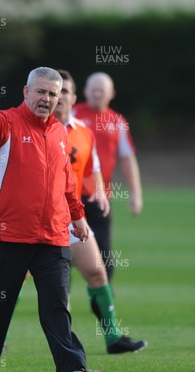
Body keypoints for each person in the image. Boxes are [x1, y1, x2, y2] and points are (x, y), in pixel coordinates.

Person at [0, 66, 102, 372]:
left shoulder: (61, 133)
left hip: (53, 237)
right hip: (6, 236)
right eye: (41, 92)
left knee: (57, 308)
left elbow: (68, 181)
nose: (47, 98)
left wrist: (77, 215)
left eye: (53, 93)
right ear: (26, 92)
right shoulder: (7, 123)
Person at [55, 69, 146, 354]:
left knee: (99, 270)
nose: (59, 98)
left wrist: (126, 194)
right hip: (44, 211)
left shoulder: (94, 127)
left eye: (64, 93)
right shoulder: (39, 126)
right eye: (92, 89)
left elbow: (109, 162)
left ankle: (112, 338)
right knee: (24, 277)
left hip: (83, 207)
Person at [73, 72, 143, 284]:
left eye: (101, 90)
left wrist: (136, 194)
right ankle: (61, 301)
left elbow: (127, 158)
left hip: (100, 197)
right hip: (70, 196)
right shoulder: (73, 115)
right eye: (93, 89)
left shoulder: (118, 122)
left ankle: (103, 300)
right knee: (61, 253)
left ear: (112, 94)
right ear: (85, 91)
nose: (96, 93)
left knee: (103, 253)